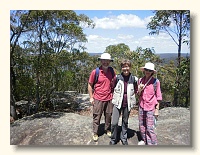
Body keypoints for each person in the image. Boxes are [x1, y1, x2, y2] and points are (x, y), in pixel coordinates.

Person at [88, 53, 116, 142]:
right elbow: (90, 84)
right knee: (97, 116)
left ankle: (107, 129)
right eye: (104, 60)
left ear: (109, 62)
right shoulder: (95, 72)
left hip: (109, 98)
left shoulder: (112, 71)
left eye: (107, 61)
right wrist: (91, 97)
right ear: (101, 61)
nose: (105, 62)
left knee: (108, 115)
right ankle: (95, 132)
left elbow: (114, 82)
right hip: (98, 98)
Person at [110, 59, 138, 145]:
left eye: (127, 66)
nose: (125, 69)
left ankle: (124, 138)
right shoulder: (117, 78)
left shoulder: (134, 79)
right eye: (123, 67)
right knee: (114, 123)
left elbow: (136, 91)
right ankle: (113, 139)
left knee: (125, 122)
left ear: (130, 67)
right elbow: (112, 88)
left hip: (127, 104)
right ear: (121, 68)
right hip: (118, 103)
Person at [137, 62, 162, 145]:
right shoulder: (140, 80)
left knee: (150, 127)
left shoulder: (156, 82)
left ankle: (152, 143)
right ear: (144, 70)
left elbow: (158, 96)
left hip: (151, 107)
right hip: (142, 106)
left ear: (152, 72)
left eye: (149, 70)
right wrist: (139, 90)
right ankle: (145, 140)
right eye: (146, 70)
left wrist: (157, 110)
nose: (147, 71)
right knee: (142, 125)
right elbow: (138, 95)